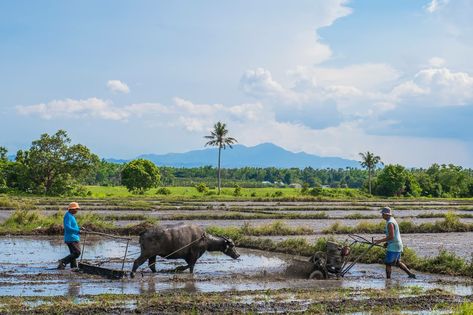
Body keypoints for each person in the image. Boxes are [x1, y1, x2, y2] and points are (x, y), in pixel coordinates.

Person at [374, 206, 416, 279]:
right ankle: (410, 274)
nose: (382, 215)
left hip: (394, 245)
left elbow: (391, 236)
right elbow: (392, 236)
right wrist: (387, 243)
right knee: (397, 262)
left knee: (388, 263)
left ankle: (388, 279)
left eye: (383, 214)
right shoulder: (392, 220)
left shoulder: (390, 223)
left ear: (386, 214)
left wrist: (379, 241)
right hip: (397, 244)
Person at [58, 202, 83, 269]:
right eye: (75, 209)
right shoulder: (68, 216)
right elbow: (67, 228)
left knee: (73, 253)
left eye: (77, 209)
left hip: (73, 237)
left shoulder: (71, 216)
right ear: (71, 209)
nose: (76, 210)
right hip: (71, 238)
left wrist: (79, 228)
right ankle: (63, 261)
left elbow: (72, 226)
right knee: (77, 253)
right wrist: (77, 231)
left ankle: (73, 267)